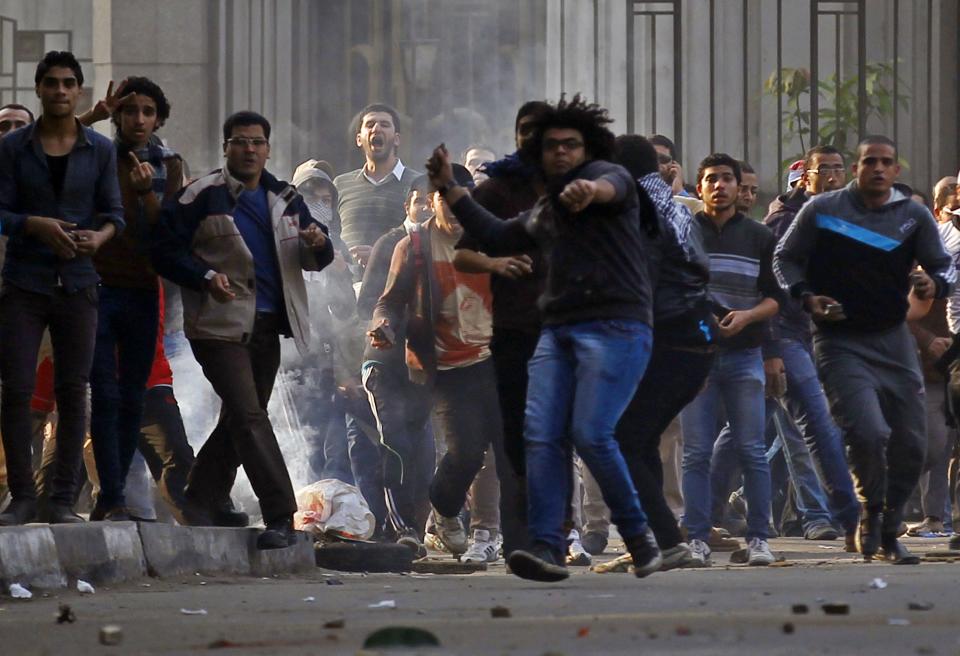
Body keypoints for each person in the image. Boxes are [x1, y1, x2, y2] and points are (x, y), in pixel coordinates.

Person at [426, 95, 662, 582]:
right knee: (539, 437)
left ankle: (639, 539)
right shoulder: (547, 208)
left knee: (591, 434)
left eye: (569, 145)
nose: (559, 153)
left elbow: (609, 187)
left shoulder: (609, 177)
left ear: (587, 149)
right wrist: (450, 189)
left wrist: (589, 189)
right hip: (555, 329)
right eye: (550, 145)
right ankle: (549, 548)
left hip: (614, 325)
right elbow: (497, 231)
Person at [151, 111, 334, 548]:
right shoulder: (200, 195)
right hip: (218, 325)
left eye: (257, 142)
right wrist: (202, 277)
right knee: (252, 417)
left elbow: (318, 252)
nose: (249, 150)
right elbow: (162, 250)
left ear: (268, 149)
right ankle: (280, 517)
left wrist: (319, 243)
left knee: (239, 417)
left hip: (269, 327)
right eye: (239, 142)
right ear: (226, 147)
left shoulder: (285, 197)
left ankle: (201, 496)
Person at [774, 135, 955, 564]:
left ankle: (889, 525)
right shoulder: (823, 210)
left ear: (896, 171)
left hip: (893, 338)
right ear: (855, 169)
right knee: (869, 432)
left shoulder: (911, 216)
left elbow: (943, 263)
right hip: (840, 341)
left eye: (885, 162)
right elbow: (784, 258)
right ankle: (871, 512)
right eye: (868, 161)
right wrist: (805, 296)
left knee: (915, 442)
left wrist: (935, 283)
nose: (877, 168)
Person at [0, 51, 124, 526]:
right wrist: (32, 223)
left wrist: (100, 238)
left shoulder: (99, 149)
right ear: (39, 88)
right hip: (24, 282)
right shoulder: (13, 149)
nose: (60, 90)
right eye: (51, 83)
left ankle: (61, 500)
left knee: (75, 392)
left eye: (69, 83)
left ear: (79, 91)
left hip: (78, 282)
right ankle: (21, 497)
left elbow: (114, 214)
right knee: (17, 390)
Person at [601, 135, 717, 572]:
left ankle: (665, 542)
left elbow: (640, 286)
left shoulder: (636, 212)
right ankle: (656, 541)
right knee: (640, 437)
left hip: (667, 342)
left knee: (622, 440)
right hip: (694, 341)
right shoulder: (675, 206)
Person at [77, 76, 184, 520]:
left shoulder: (168, 164)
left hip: (143, 291)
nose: (138, 119)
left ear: (158, 117)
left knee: (131, 397)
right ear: (117, 116)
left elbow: (170, 234)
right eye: (129, 111)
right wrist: (92, 115)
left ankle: (116, 492)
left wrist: (146, 195)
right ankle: (111, 497)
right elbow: (49, 148)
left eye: (147, 111)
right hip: (97, 288)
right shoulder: (95, 153)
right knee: (102, 394)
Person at [451, 100, 549, 560]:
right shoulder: (495, 190)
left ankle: (552, 535)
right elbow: (463, 255)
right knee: (516, 442)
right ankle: (519, 542)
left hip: (567, 330)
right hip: (513, 331)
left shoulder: (575, 188)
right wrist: (497, 262)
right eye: (525, 130)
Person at [680, 153, 782, 567]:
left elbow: (777, 297)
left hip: (745, 356)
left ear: (740, 189)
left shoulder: (759, 237)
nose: (719, 186)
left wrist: (749, 318)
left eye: (727, 179)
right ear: (699, 188)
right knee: (696, 453)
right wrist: (706, 322)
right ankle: (697, 537)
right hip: (696, 359)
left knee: (752, 449)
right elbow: (674, 291)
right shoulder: (684, 233)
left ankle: (759, 538)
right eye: (711, 179)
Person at [357, 174, 434, 556]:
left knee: (424, 450)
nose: (425, 208)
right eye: (418, 201)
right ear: (407, 206)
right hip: (386, 363)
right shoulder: (393, 244)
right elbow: (371, 302)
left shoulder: (452, 248)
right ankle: (400, 527)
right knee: (395, 442)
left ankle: (419, 529)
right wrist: (382, 324)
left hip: (423, 366)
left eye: (432, 201)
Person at [334, 103, 421, 269]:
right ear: (359, 139)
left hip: (396, 288)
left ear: (397, 139)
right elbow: (331, 234)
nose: (376, 129)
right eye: (370, 124)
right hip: (346, 290)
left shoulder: (418, 185)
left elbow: (427, 241)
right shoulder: (341, 184)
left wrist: (381, 256)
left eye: (385, 124)